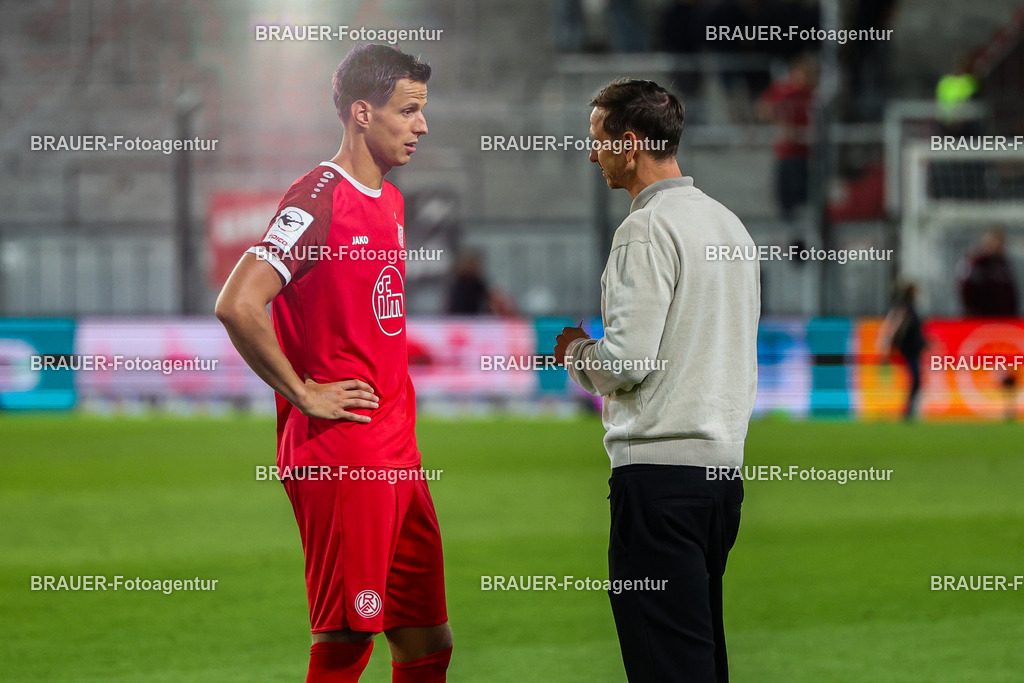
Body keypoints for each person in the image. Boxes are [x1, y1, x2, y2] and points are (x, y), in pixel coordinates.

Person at [215, 44, 452, 682]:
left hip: (398, 452)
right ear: (361, 114)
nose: (422, 126)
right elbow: (239, 303)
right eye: (408, 111)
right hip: (344, 453)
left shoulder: (393, 201)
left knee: (428, 641)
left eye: (422, 111)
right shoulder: (319, 196)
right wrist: (303, 392)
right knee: (348, 640)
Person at [554, 79, 760, 682]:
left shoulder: (645, 230)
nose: (592, 155)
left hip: (659, 477)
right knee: (698, 654)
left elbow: (624, 363)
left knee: (667, 664)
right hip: (721, 477)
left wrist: (575, 352)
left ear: (632, 142)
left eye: (599, 141)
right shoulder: (728, 226)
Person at [757, 53, 816, 222]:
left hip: (805, 154)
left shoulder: (809, 93)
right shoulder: (784, 90)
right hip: (787, 153)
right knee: (787, 204)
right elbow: (764, 108)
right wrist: (780, 123)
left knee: (804, 202)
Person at [877, 282, 927, 420]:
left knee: (916, 379)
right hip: (909, 349)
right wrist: (886, 349)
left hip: (912, 349)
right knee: (915, 378)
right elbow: (895, 329)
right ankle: (908, 409)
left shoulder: (908, 309)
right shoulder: (905, 309)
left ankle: (909, 408)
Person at [957, 228, 1019, 317]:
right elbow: (967, 288)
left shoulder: (1002, 263)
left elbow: (1010, 291)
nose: (999, 245)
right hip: (981, 318)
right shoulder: (976, 263)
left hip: (1002, 318)